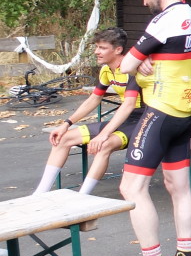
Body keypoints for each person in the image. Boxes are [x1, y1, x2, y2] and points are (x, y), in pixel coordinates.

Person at [93, 0, 191, 256]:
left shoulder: (163, 20)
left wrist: (141, 59)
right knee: (178, 186)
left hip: (161, 110)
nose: (142, 0)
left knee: (131, 187)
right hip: (186, 110)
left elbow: (127, 65)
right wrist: (150, 56)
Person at [33, 28, 144, 196]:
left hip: (143, 120)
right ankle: (40, 194)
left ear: (118, 50)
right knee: (63, 139)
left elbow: (128, 105)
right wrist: (66, 124)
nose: (96, 51)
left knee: (104, 145)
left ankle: (82, 197)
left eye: (102, 48)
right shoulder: (106, 70)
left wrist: (103, 135)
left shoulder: (131, 69)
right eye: (96, 47)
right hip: (124, 119)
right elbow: (94, 99)